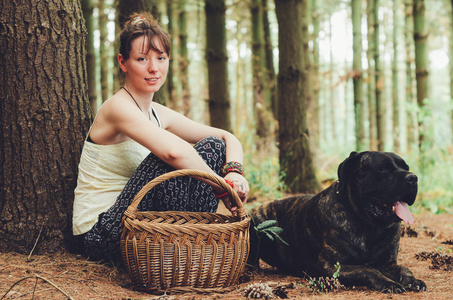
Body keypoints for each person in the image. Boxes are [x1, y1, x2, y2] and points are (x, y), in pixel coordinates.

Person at [72, 12, 249, 262]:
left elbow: (226, 137)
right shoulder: (117, 108)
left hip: (140, 228)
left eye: (161, 58)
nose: (153, 68)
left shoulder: (157, 113)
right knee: (167, 157)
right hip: (102, 234)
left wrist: (233, 173)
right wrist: (222, 189)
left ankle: (187, 244)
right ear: (123, 63)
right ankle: (184, 245)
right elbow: (173, 153)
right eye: (142, 59)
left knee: (214, 147)